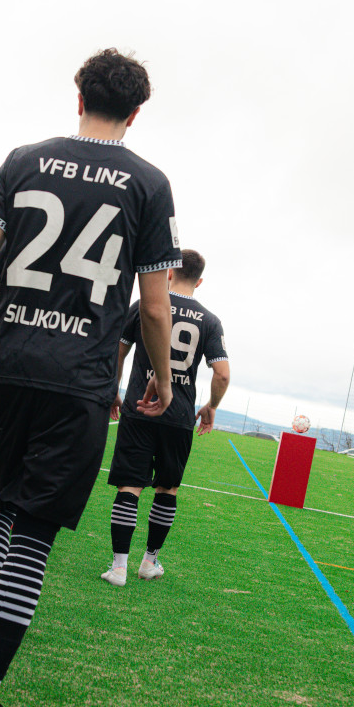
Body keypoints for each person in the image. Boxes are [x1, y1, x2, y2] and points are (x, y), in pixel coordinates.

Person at [0, 47, 180, 707]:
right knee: (33, 534)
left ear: (80, 98)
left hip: (9, 363)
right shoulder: (149, 183)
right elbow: (155, 306)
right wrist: (159, 377)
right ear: (135, 113)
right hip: (78, 380)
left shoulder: (25, 159)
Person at [100, 249, 230, 585]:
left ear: (169, 273)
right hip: (179, 415)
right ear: (199, 282)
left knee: (130, 485)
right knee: (167, 488)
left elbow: (118, 350)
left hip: (139, 409)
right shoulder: (210, 321)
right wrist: (212, 406)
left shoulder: (144, 305)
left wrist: (114, 389)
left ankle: (118, 567)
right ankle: (149, 562)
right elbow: (222, 374)